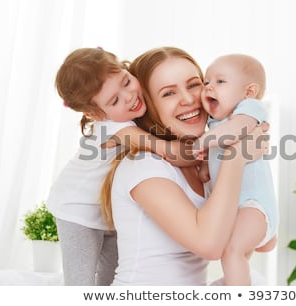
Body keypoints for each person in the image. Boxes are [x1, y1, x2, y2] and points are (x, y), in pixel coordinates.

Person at [99, 46, 270, 285]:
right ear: (150, 107)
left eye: (193, 84)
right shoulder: (144, 167)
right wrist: (237, 157)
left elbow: (265, 242)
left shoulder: (203, 161)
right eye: (168, 93)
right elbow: (209, 245)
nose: (189, 99)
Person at [47, 47, 183, 285]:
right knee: (80, 282)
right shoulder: (115, 128)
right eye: (115, 100)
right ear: (95, 114)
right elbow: (169, 152)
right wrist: (218, 142)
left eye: (126, 82)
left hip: (107, 212)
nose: (129, 95)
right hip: (76, 209)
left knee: (112, 277)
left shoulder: (126, 116)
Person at [193, 54, 278, 285]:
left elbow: (236, 130)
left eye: (220, 81)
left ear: (248, 91)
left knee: (232, 252)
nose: (209, 86)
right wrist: (203, 167)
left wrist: (204, 141)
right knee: (235, 257)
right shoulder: (214, 124)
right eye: (206, 81)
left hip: (254, 205)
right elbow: (214, 165)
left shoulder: (248, 109)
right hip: (237, 210)